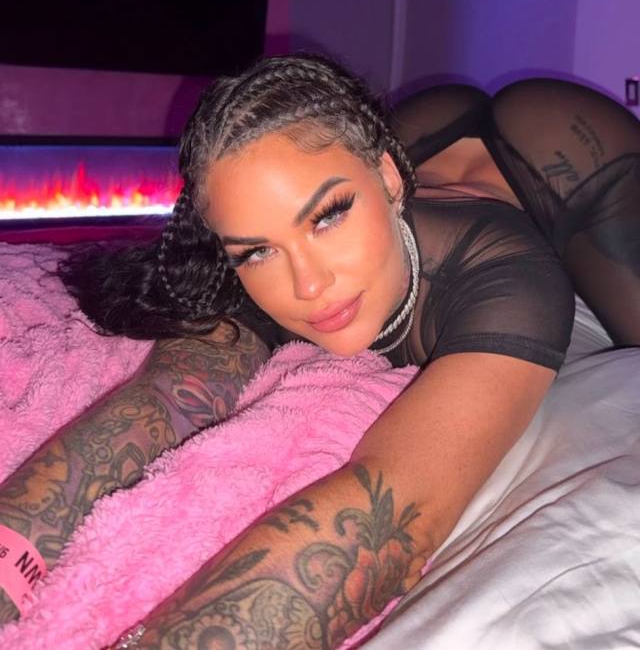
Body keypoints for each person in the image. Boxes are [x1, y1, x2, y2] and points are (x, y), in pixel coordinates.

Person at [0, 54, 638, 648]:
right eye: (257, 251)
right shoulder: (254, 256)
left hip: (566, 153)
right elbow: (164, 397)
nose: (307, 287)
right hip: (423, 128)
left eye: (328, 217)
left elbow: (393, 502)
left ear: (388, 179)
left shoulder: (513, 281)